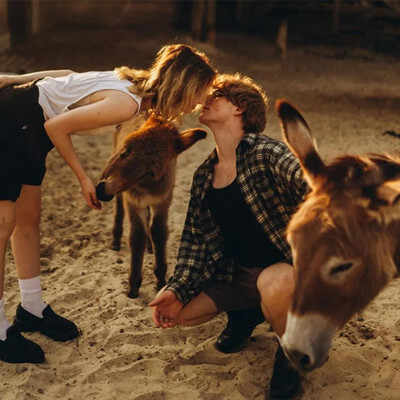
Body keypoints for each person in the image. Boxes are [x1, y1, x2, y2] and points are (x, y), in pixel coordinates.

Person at [0, 43, 216, 364]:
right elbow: (55, 126)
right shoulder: (127, 104)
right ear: (182, 86)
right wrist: (84, 179)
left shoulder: (130, 82)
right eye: (199, 93)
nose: (199, 103)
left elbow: (67, 75)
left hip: (31, 131)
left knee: (28, 220)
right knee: (3, 225)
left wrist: (13, 79)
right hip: (10, 123)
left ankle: (31, 309)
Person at [149, 73, 307, 399]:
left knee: (274, 285)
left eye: (216, 94)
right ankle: (246, 313)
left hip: (285, 272)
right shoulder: (204, 175)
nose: (205, 98)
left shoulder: (266, 152)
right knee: (178, 312)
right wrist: (175, 289)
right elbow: (194, 244)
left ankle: (293, 355)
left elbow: (313, 187)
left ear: (239, 108)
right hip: (238, 275)